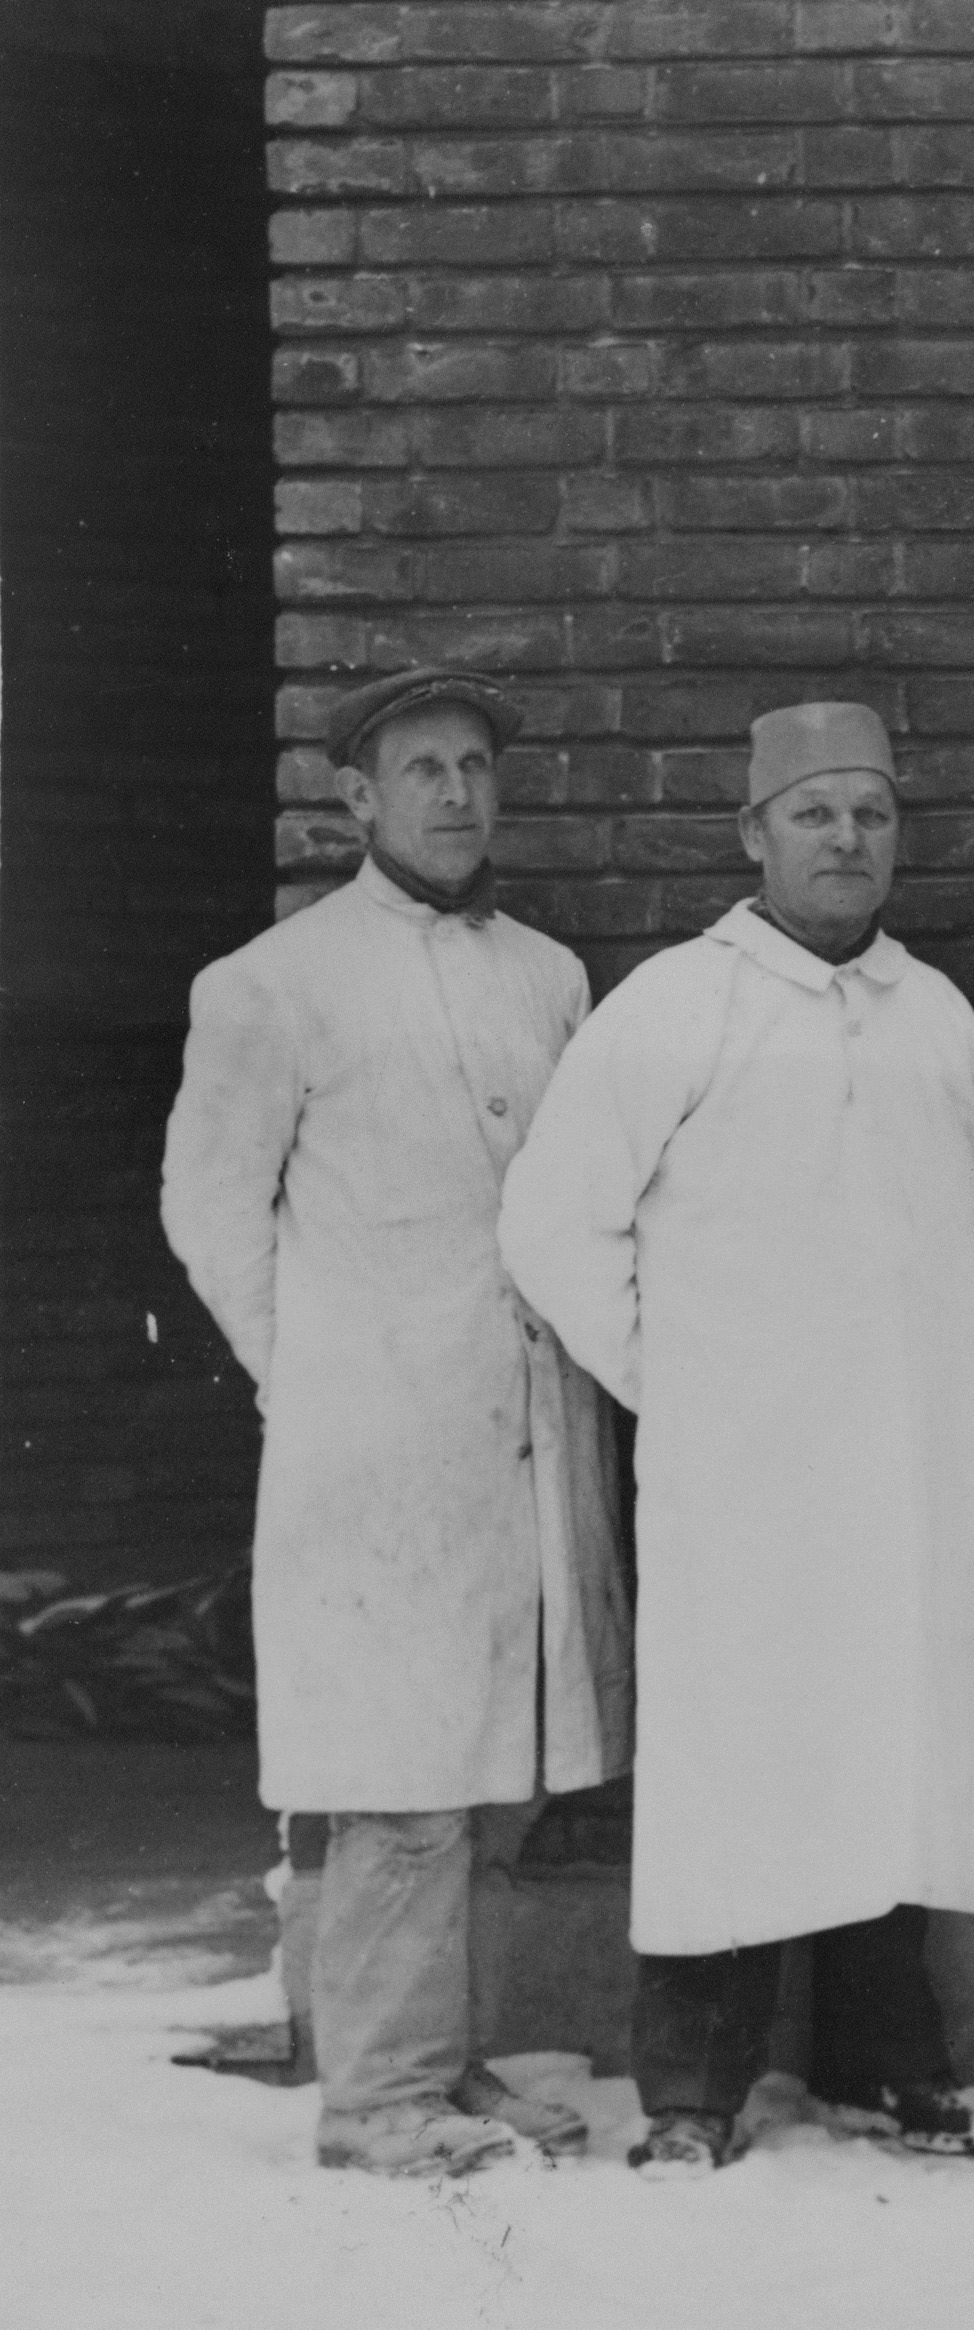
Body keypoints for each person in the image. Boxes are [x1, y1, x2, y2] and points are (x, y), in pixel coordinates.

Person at [498, 701, 974, 2177]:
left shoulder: (931, 1014)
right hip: (745, 1487)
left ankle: (885, 2060)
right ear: (754, 834)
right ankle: (694, 2087)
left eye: (871, 813)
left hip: (907, 1482)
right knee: (738, 1768)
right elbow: (552, 1222)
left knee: (888, 1756)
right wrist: (682, 1378)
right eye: (815, 815)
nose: (847, 840)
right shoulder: (677, 1004)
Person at [159, 666, 627, 2178]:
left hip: (525, 1429)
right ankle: (375, 2098)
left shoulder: (548, 975)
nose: (455, 793)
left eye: (477, 764)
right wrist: (322, 1377)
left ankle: (441, 2058)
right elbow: (210, 1207)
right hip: (377, 1448)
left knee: (492, 1769)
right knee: (398, 1780)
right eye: (421, 767)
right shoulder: (272, 981)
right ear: (356, 798)